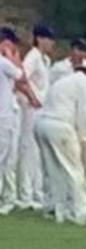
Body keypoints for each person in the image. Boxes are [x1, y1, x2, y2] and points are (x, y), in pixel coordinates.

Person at [35, 59, 86, 225]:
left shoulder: (64, 81)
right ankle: (81, 213)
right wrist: (83, 140)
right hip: (60, 126)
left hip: (41, 124)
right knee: (75, 171)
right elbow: (83, 114)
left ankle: (57, 210)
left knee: (54, 171)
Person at [51, 39, 86, 208]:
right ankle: (67, 195)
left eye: (83, 51)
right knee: (68, 159)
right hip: (65, 118)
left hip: (84, 119)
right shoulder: (59, 68)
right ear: (71, 50)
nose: (81, 54)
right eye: (78, 50)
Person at [13, 24, 54, 211]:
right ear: (39, 39)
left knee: (37, 152)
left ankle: (37, 193)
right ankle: (25, 194)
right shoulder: (33, 57)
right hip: (30, 108)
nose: (52, 43)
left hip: (41, 109)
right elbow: (21, 78)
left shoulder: (45, 60)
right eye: (49, 39)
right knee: (28, 149)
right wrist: (32, 97)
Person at [0, 27, 40, 215]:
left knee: (9, 158)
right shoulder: (3, 62)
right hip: (5, 115)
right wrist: (12, 57)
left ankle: (9, 196)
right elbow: (21, 76)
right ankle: (6, 196)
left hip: (10, 112)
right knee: (4, 158)